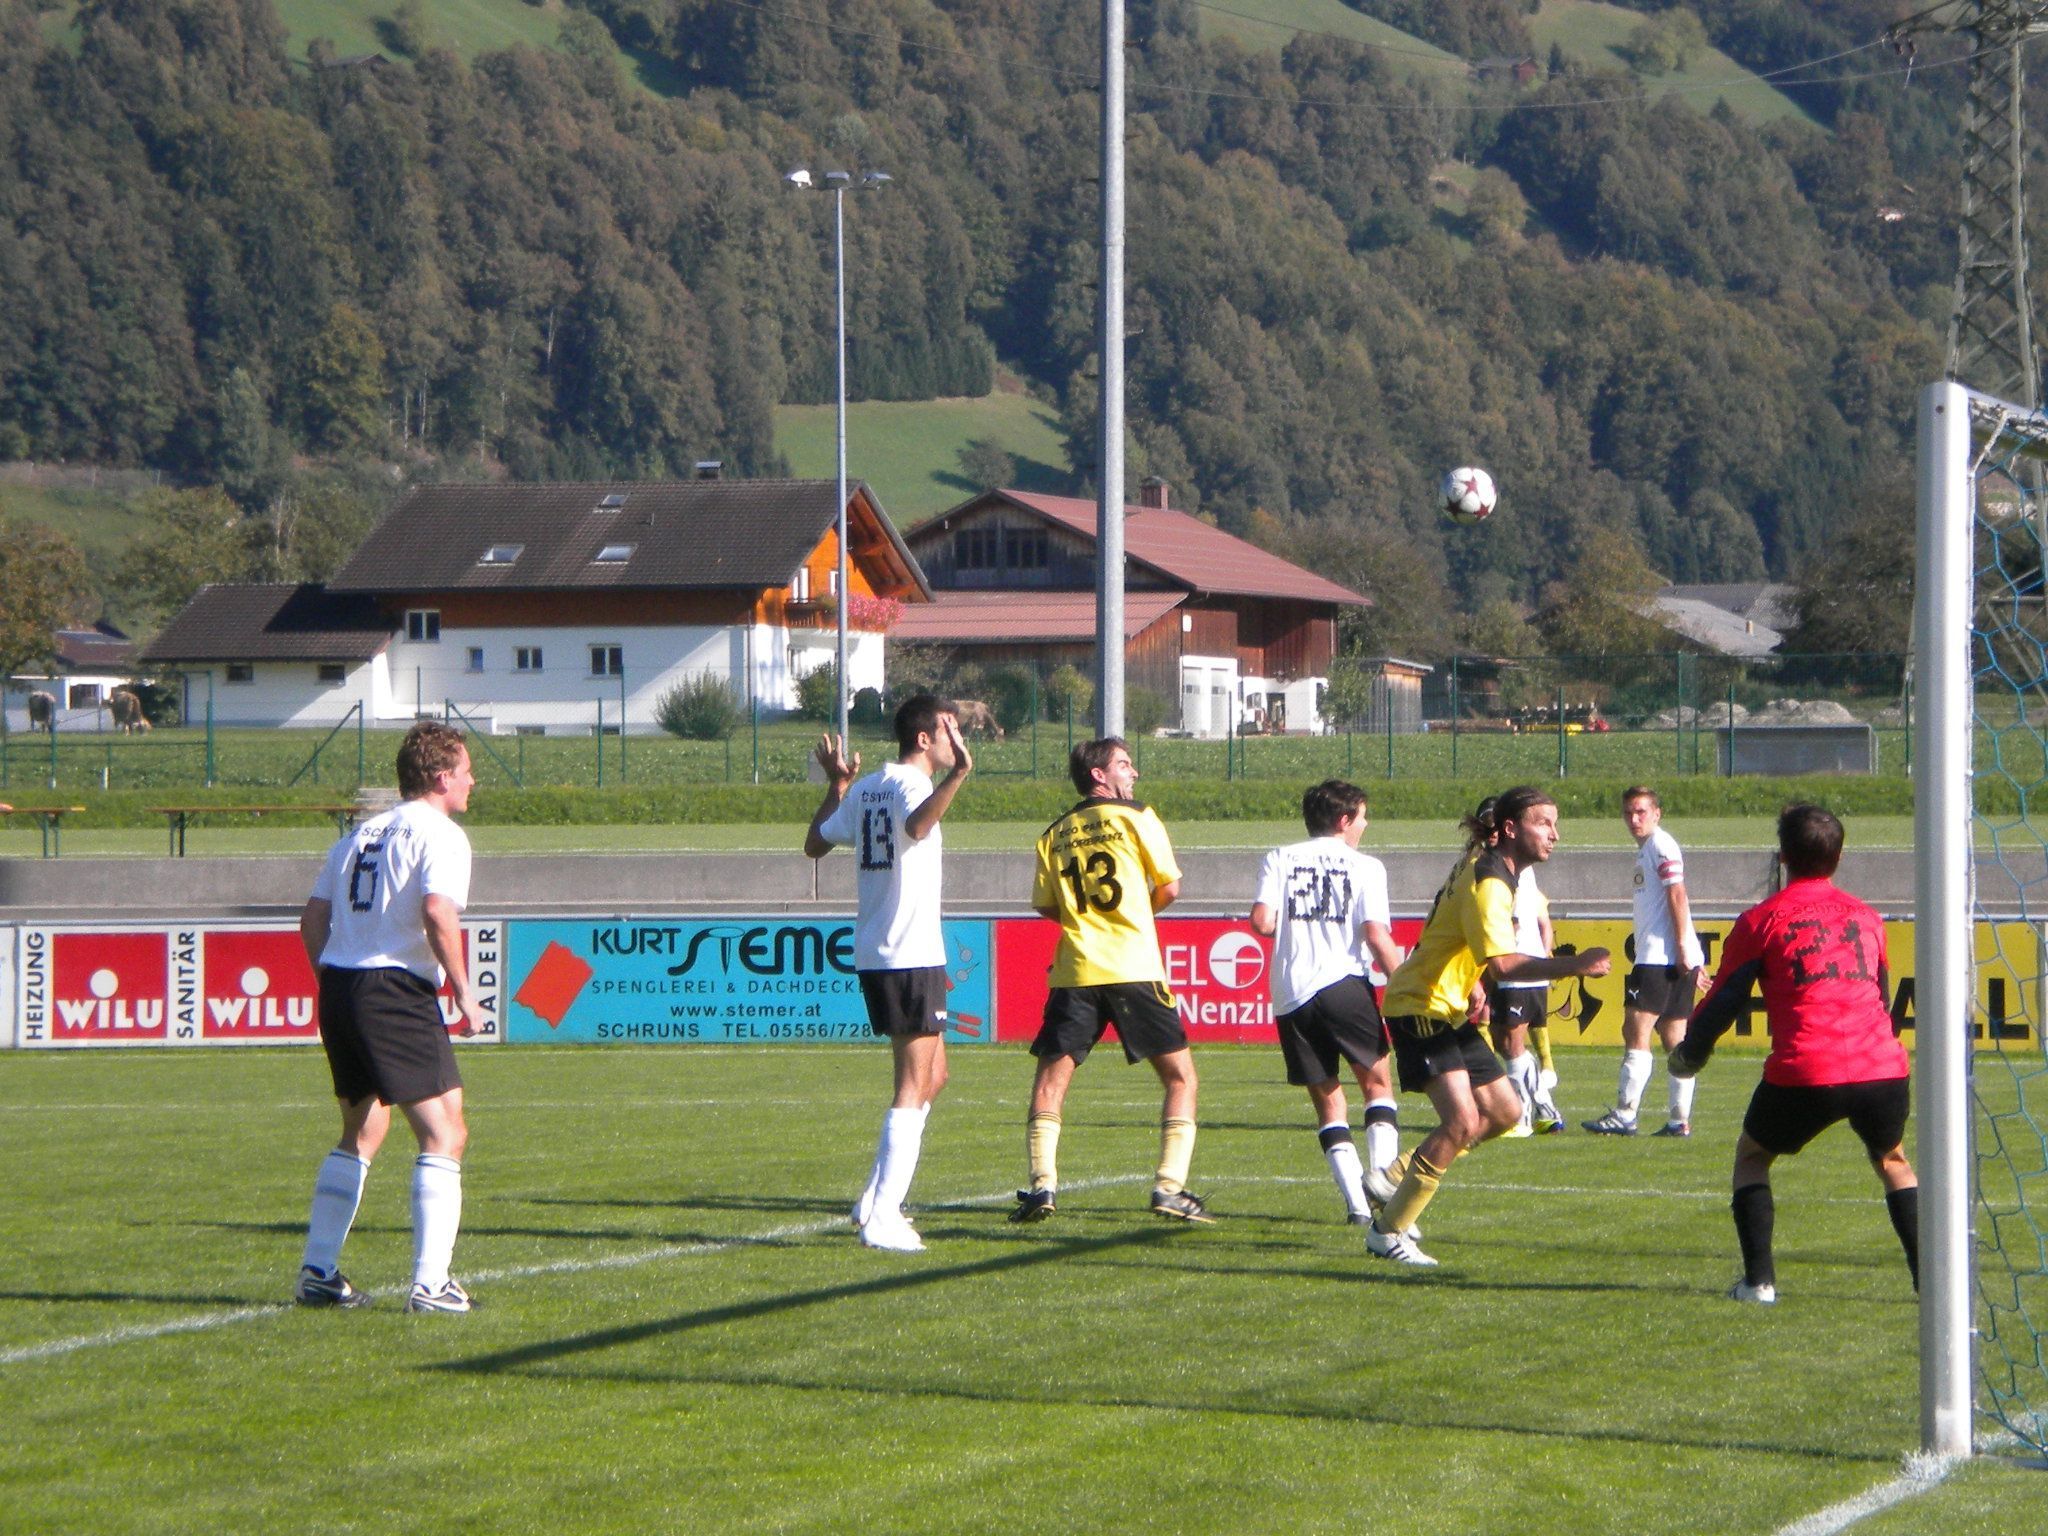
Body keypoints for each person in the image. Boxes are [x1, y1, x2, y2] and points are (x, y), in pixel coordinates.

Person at [1668, 805, 1918, 1304]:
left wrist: (1688, 1056)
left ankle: (1758, 1284)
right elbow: (1882, 994)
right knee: (1893, 1161)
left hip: (1807, 1068)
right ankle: (1929, 1284)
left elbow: (1726, 998)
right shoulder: (1866, 917)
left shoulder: (1762, 919)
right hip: (1882, 1065)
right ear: (1839, 856)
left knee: (1753, 1156)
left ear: (1782, 856)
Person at [1363, 788, 1611, 1265]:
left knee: (1503, 1112)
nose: (1555, 835)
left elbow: (1459, 934)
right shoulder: (1490, 879)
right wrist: (1572, 964)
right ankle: (1387, 1231)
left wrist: (1469, 978)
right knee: (1460, 1122)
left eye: (1556, 824)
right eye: (1544, 823)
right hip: (1421, 1003)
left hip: (1448, 1005)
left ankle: (1394, 1176)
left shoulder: (1491, 864)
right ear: (1512, 829)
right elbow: (1504, 966)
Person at [294, 721, 485, 1314]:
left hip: (344, 984)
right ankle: (431, 1284)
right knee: (445, 1131)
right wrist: (463, 990)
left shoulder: (360, 833)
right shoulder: (442, 834)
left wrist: (336, 987)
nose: (473, 780)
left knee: (363, 1130)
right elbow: (436, 911)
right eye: (465, 770)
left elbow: (312, 920)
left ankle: (318, 1272)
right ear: (440, 777)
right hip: (393, 989)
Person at [1015, 737, 1208, 1223]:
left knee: (1050, 1082)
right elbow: (1170, 887)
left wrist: (1088, 924)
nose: (1134, 773)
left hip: (1076, 970)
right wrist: (1136, 914)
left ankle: (1042, 1187)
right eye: (1125, 764)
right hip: (1133, 966)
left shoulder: (1053, 833)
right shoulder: (1137, 816)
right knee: (1181, 1078)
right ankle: (1169, 1187)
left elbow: (1044, 905)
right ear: (1099, 775)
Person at [805, 694, 973, 1253]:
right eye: (951, 730)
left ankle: (872, 1197)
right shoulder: (911, 785)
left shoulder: (870, 785)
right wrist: (962, 776)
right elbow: (918, 827)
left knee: (934, 1076)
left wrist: (837, 786)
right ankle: (885, 1216)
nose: (958, 741)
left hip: (886, 950)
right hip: (907, 952)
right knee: (909, 1084)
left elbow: (815, 843)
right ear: (925, 739)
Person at [1249, 781, 1406, 1226]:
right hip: (1343, 984)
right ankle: (1383, 1186)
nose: (1365, 824)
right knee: (1377, 1084)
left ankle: (1356, 1206)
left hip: (1291, 994)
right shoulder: (1367, 867)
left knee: (1328, 1100)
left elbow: (1261, 922)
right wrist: (1405, 983)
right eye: (1361, 816)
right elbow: (1376, 935)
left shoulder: (1279, 857)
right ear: (1343, 820)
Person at [1586, 786, 1708, 1137]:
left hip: (1658, 959)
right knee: (1675, 1040)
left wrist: (1685, 947)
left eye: (1640, 812)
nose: (1633, 819)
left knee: (1636, 1032)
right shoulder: (1649, 850)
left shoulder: (1660, 845)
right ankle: (1679, 1120)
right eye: (1628, 813)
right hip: (1670, 959)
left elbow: (1677, 894)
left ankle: (1625, 1114)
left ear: (1657, 813)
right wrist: (1692, 955)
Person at [1488, 858, 1563, 1135]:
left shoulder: (1507, 869)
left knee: (1512, 1044)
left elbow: (1513, 922)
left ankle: (1522, 1118)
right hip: (1524, 967)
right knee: (1504, 1040)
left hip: (1517, 967)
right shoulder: (1515, 866)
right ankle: (1546, 1110)